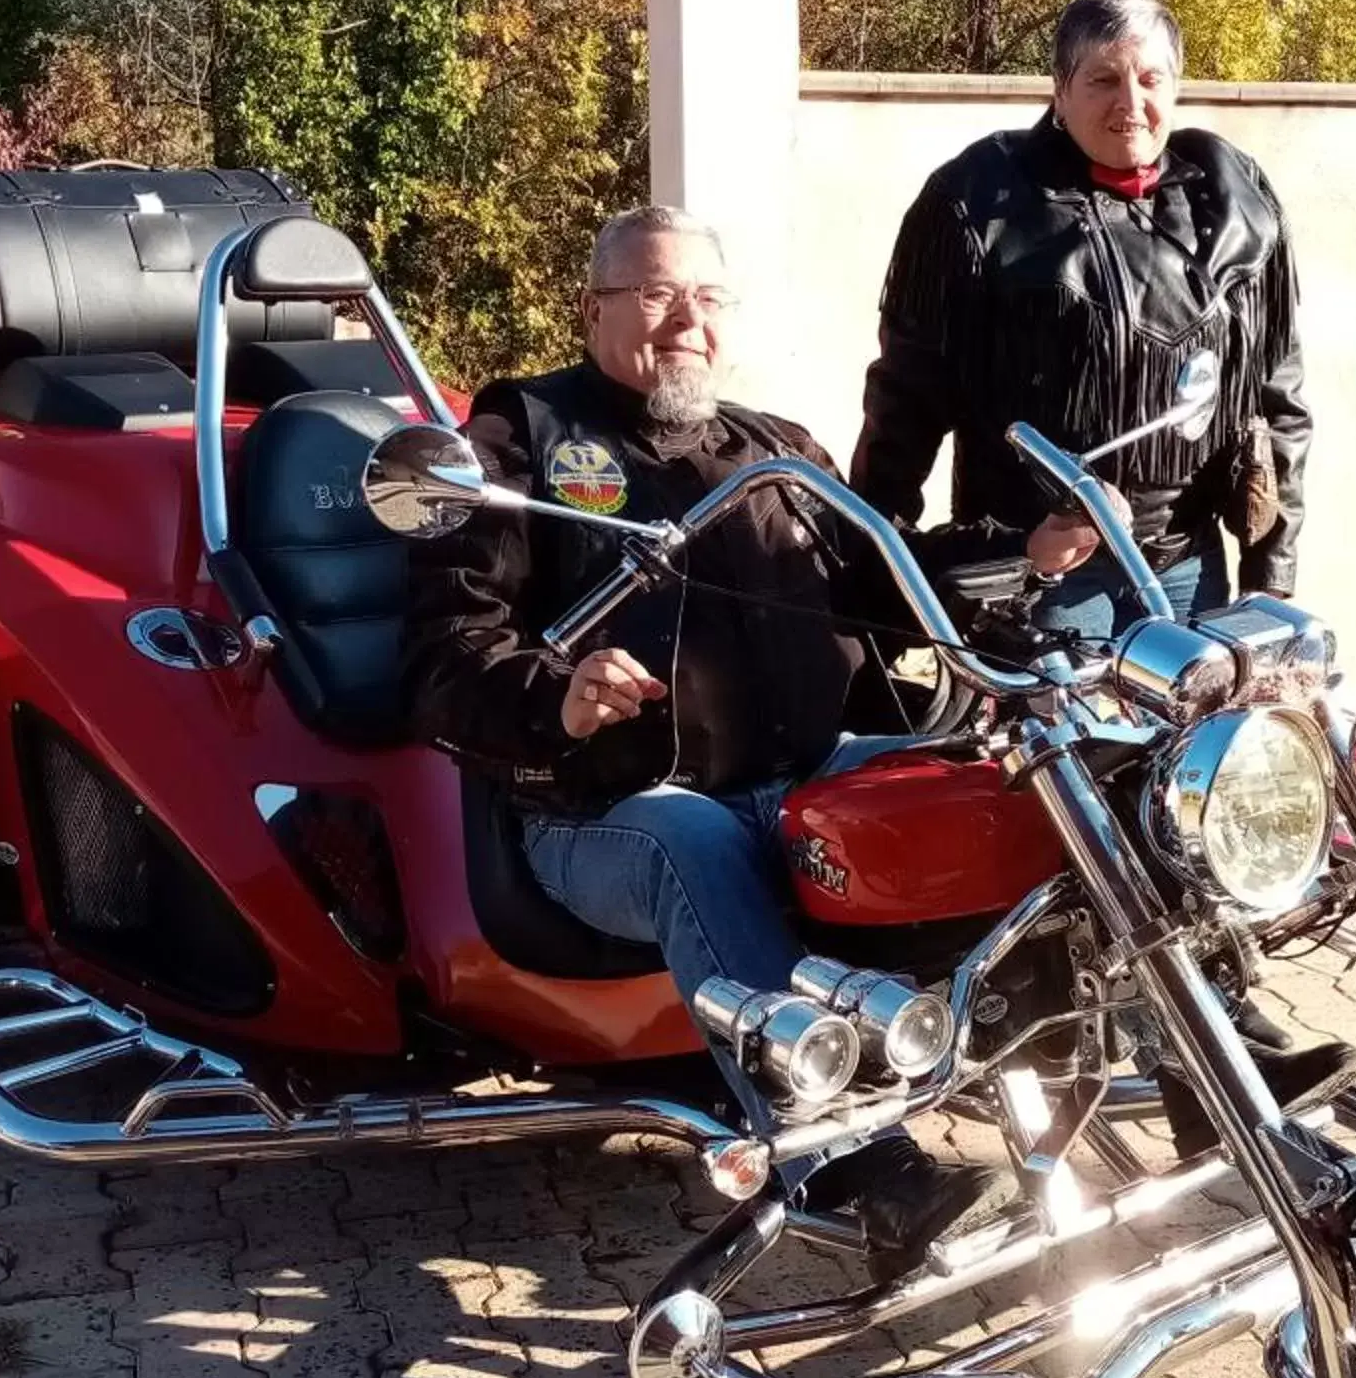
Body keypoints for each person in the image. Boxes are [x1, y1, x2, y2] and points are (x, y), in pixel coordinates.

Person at [404, 204, 995, 1266]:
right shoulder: (519, 441)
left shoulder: (780, 450)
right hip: (598, 814)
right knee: (696, 842)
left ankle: (1078, 1040)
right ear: (593, 308)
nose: (687, 319)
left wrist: (1018, 560)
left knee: (990, 781)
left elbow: (888, 590)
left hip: (800, 775)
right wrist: (560, 693)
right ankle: (858, 1169)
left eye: (707, 297)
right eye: (655, 293)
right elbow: (445, 650)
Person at [853, 0, 1312, 641]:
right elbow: (905, 402)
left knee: (1205, 741)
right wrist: (880, 580)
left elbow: (1280, 397)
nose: (1131, 104)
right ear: (1060, 90)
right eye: (1103, 80)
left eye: (1151, 79)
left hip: (1190, 565)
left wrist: (1271, 578)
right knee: (1066, 746)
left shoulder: (1236, 196)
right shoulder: (980, 199)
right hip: (1046, 571)